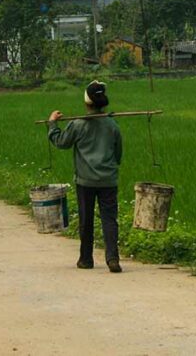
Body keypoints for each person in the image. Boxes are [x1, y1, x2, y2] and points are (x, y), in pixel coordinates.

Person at [47, 80, 123, 273]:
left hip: (85, 181)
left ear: (87, 103)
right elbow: (118, 154)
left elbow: (61, 142)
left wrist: (52, 124)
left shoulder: (78, 124)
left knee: (86, 219)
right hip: (108, 180)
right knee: (109, 219)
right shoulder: (112, 125)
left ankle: (86, 259)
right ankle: (113, 258)